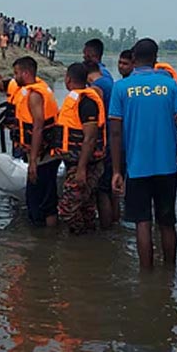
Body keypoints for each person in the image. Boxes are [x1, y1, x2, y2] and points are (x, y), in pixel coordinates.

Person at [109, 38, 177, 269]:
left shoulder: (121, 88)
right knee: (167, 223)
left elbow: (115, 133)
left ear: (134, 59)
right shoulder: (169, 85)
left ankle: (146, 277)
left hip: (136, 168)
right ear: (156, 59)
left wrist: (117, 170)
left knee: (143, 224)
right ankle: (170, 274)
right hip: (167, 167)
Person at [57, 63, 106, 234]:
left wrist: (81, 169)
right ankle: (87, 246)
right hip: (75, 163)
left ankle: (80, 237)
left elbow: (90, 137)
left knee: (66, 209)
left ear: (68, 79)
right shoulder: (75, 100)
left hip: (85, 165)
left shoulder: (86, 102)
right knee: (86, 207)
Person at [13, 55, 61, 227]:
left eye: (16, 73)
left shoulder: (34, 95)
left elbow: (38, 126)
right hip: (45, 153)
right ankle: (45, 241)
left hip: (43, 156)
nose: (15, 77)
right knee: (44, 197)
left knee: (40, 201)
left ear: (26, 73)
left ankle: (42, 243)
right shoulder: (39, 87)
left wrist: (33, 161)